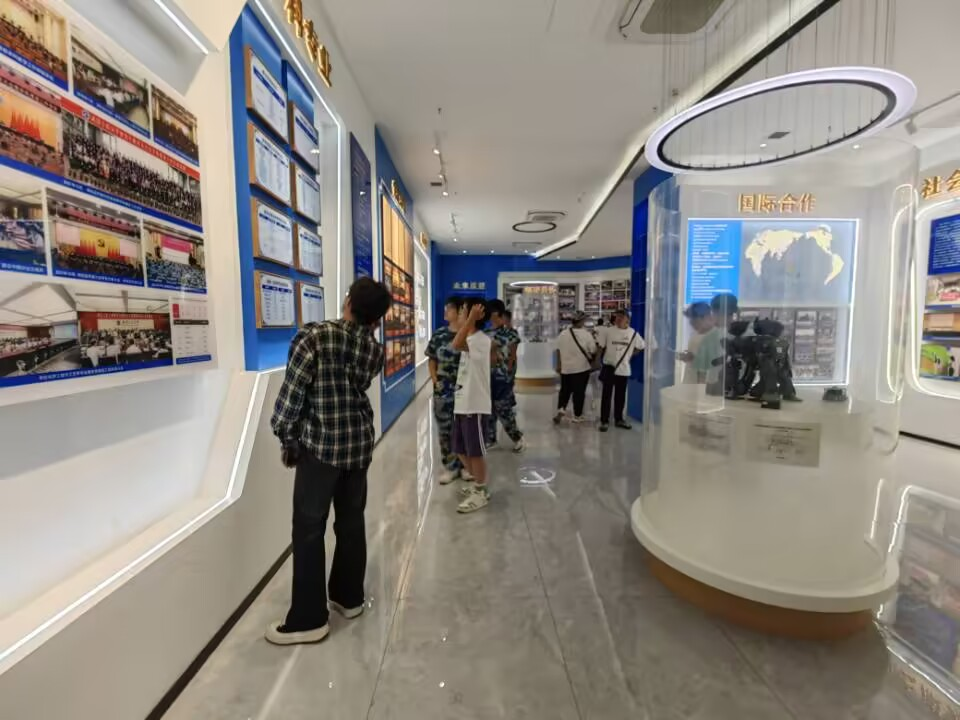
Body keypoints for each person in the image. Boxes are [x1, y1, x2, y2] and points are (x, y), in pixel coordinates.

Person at [266, 276, 392, 646]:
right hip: (358, 445)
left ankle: (308, 619)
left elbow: (291, 396)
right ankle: (348, 598)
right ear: (377, 317)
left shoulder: (314, 337)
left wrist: (286, 435)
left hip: (320, 448)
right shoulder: (374, 350)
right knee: (351, 522)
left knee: (309, 529)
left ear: (348, 301)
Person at [452, 300, 494, 513]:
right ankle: (479, 483)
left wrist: (470, 320)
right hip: (462, 403)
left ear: (475, 315)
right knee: (460, 449)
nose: (460, 315)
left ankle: (481, 490)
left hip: (475, 405)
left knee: (475, 451)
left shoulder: (481, 340)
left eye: (463, 311)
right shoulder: (470, 338)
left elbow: (456, 344)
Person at [426, 295, 468, 484]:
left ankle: (466, 466)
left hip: (465, 390)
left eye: (449, 308)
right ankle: (451, 467)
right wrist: (435, 381)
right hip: (443, 390)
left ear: (459, 311)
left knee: (465, 429)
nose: (445, 312)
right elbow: (432, 359)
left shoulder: (469, 335)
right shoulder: (439, 335)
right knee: (445, 430)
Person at [485, 299, 524, 453]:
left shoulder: (510, 333)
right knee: (489, 410)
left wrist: (509, 372)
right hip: (487, 377)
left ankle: (517, 438)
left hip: (503, 378)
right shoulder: (485, 333)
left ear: (496, 313)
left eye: (490, 312)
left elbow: (513, 354)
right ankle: (491, 439)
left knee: (504, 410)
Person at [598, 309, 644, 432]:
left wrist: (630, 355)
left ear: (627, 319)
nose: (618, 319)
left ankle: (619, 419)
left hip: (623, 369)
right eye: (617, 316)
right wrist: (597, 362)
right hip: (609, 367)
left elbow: (641, 346)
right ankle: (604, 421)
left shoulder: (633, 333)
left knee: (620, 396)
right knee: (606, 396)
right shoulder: (608, 331)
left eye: (621, 317)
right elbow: (601, 347)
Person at [554, 311, 597, 424]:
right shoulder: (586, 334)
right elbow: (593, 350)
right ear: (582, 321)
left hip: (566, 368)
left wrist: (559, 364)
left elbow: (557, 349)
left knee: (565, 391)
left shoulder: (563, 334)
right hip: (581, 368)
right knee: (579, 392)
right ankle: (577, 416)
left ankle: (561, 409)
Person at [692, 293, 741, 386]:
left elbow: (701, 374)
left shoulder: (709, 337)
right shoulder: (742, 335)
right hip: (733, 389)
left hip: (718, 389)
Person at [679, 302, 714, 384]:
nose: (691, 323)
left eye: (694, 320)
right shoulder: (695, 335)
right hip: (690, 382)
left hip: (702, 385)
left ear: (705, 317)